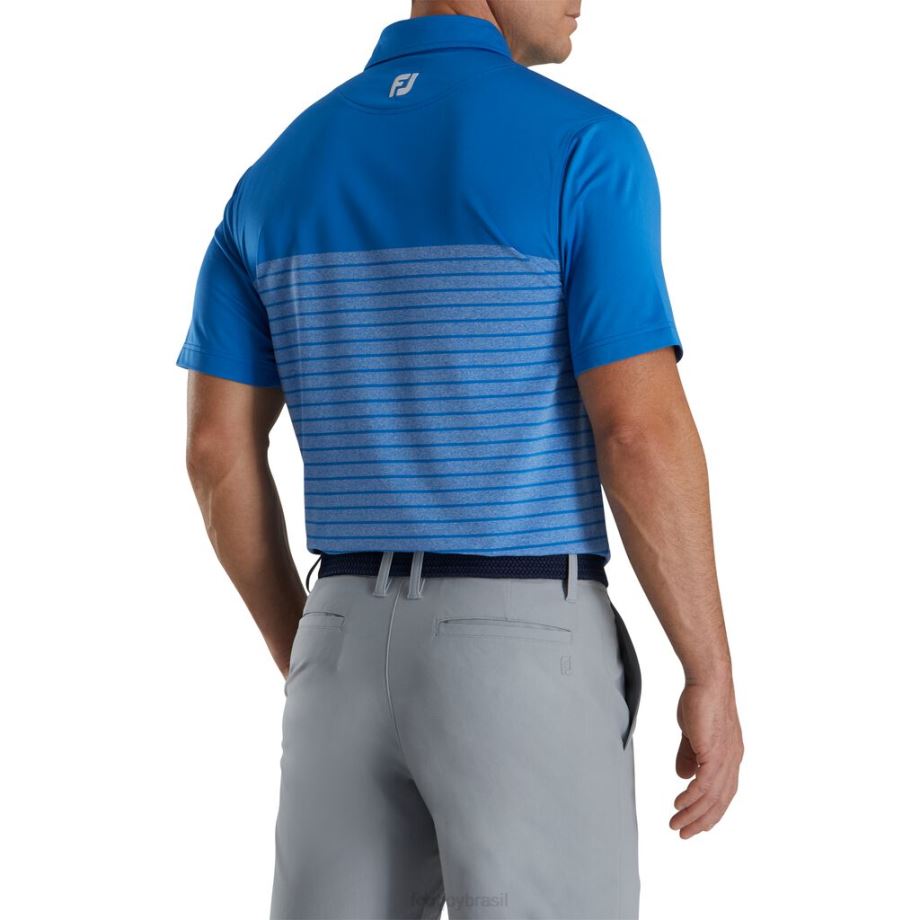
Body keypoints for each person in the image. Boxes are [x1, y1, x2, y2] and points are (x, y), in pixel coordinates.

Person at [177, 2, 744, 917]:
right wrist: (708, 670)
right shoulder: (585, 148)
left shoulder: (276, 174)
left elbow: (215, 448)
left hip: (338, 637)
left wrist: (311, 648)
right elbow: (638, 431)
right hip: (519, 636)